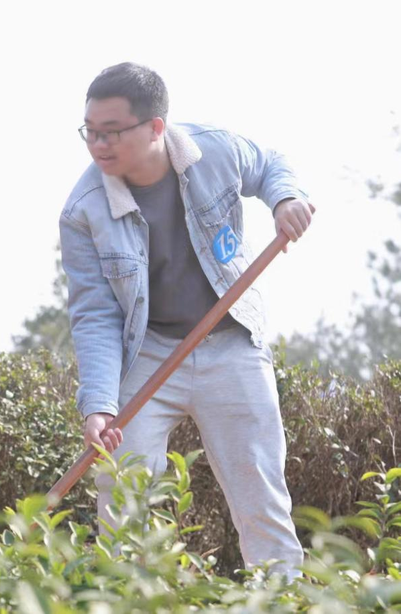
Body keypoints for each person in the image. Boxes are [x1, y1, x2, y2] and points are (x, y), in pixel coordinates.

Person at [60, 62, 313, 576]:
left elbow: (270, 165)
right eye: (90, 131)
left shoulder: (213, 150)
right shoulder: (83, 210)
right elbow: (94, 315)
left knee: (259, 489)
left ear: (156, 127)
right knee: (123, 489)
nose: (98, 144)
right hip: (148, 352)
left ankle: (282, 598)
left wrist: (286, 199)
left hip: (230, 342)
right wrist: (100, 405)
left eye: (111, 132)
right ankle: (129, 601)